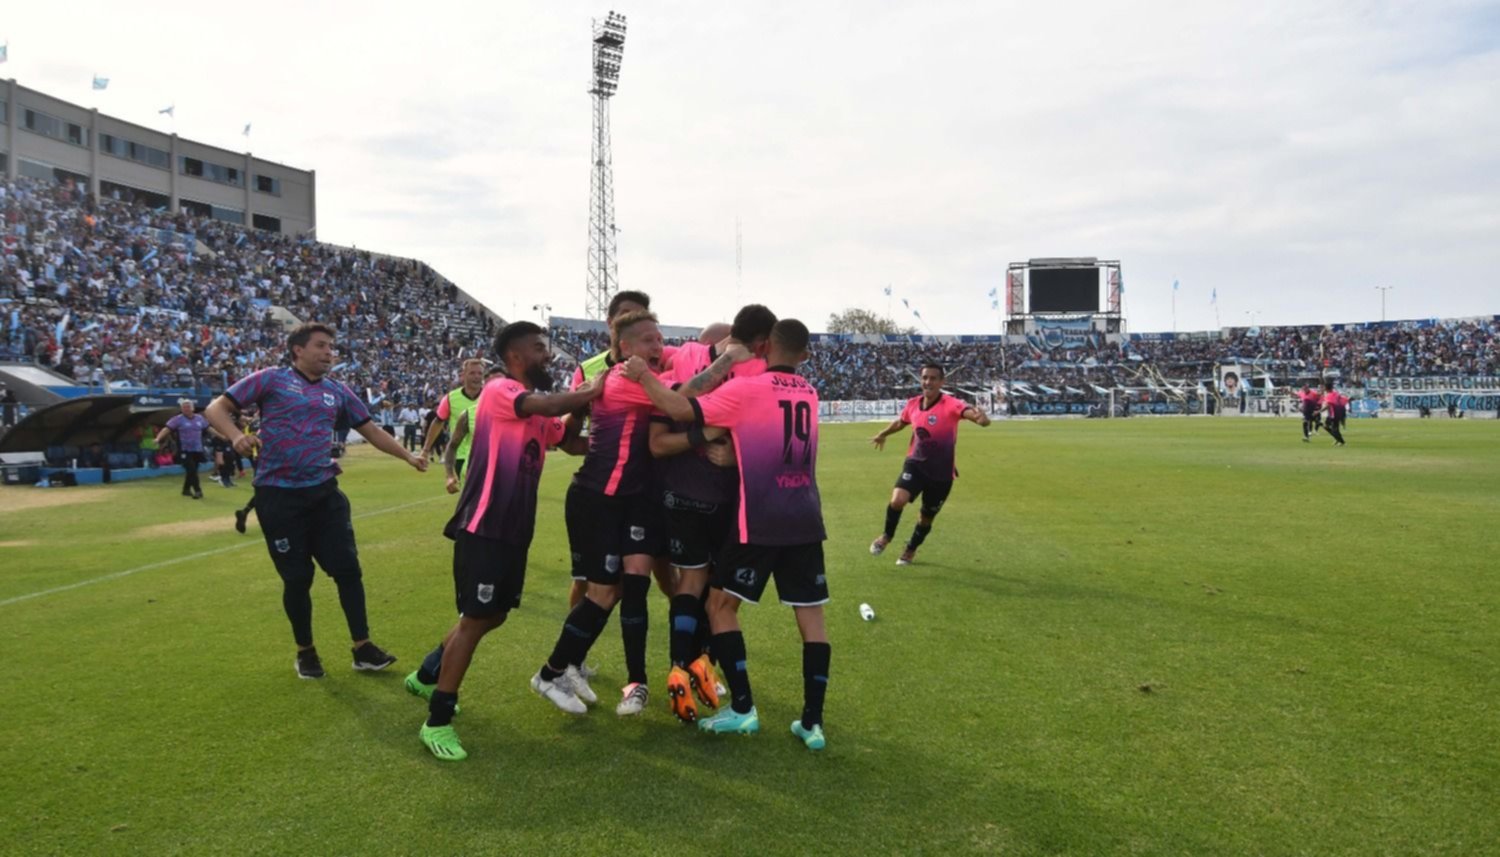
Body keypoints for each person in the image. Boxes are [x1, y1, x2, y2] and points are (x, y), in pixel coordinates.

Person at [625, 319, 832, 751]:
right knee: (811, 619)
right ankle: (812, 723)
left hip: (759, 518)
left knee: (719, 605)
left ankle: (742, 708)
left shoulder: (746, 390)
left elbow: (680, 408)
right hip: (806, 519)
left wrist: (644, 376)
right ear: (805, 355)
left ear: (762, 346)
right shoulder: (810, 395)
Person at [406, 322, 602, 761]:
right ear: (515, 356)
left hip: (513, 532)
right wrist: (592, 389)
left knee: (491, 617)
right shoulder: (500, 389)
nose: (546, 356)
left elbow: (569, 441)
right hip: (485, 527)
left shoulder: (537, 409)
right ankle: (437, 719)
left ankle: (427, 673)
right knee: (476, 620)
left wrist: (614, 433)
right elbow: (550, 403)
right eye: (538, 348)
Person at [203, 322, 429, 679]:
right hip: (278, 496)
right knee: (297, 578)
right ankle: (305, 651)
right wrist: (234, 436)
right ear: (298, 350)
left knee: (348, 570)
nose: (329, 353)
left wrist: (409, 457)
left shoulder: (337, 391)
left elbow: (371, 430)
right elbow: (215, 408)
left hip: (324, 492)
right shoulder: (271, 379)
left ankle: (362, 647)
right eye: (321, 346)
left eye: (331, 347)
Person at [529, 310, 673, 718]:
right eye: (649, 340)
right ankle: (553, 671)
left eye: (660, 340)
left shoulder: (640, 378)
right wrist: (725, 363)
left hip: (634, 500)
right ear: (624, 348)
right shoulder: (626, 380)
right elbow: (683, 404)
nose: (658, 347)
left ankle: (635, 684)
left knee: (633, 587)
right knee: (603, 594)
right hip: (598, 499)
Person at [650, 304, 777, 723]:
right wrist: (720, 447)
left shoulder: (681, 368)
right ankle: (702, 666)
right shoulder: (752, 375)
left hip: (691, 493)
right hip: (719, 499)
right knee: (717, 596)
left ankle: (682, 667)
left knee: (692, 584)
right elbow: (658, 442)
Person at [868, 363, 991, 565]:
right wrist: (883, 433)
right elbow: (901, 422)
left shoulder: (951, 404)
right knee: (897, 500)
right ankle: (886, 536)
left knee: (926, 518)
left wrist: (982, 420)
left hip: (941, 473)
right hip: (915, 465)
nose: (928, 382)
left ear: (942, 382)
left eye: (933, 378)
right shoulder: (913, 404)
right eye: (925, 377)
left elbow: (970, 413)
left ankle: (911, 549)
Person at [421, 358, 486, 480]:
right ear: (463, 375)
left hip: (485, 455)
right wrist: (425, 450)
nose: (476, 377)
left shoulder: (490, 397)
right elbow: (438, 422)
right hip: (460, 456)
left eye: (480, 373)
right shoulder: (451, 398)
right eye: (472, 373)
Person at [157, 399, 212, 499]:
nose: (186, 409)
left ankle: (186, 490)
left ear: (192, 408)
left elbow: (209, 428)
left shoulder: (199, 418)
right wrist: (158, 438)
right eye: (183, 407)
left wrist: (222, 436)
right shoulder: (177, 419)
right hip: (184, 449)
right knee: (192, 470)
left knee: (193, 470)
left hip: (197, 448)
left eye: (188, 407)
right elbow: (167, 429)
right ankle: (198, 491)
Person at [1323, 381, 1347, 446]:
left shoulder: (1329, 395)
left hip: (1333, 414)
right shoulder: (1336, 393)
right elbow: (1344, 400)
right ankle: (1337, 439)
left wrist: (1319, 411)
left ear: (1325, 388)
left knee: (1333, 428)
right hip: (1337, 413)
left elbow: (1328, 405)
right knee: (1327, 426)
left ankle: (1341, 441)